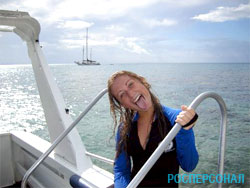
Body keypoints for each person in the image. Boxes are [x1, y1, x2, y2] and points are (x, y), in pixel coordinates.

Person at [107, 71, 199, 187]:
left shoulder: (176, 120)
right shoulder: (124, 129)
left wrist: (186, 131)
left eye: (130, 84)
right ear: (123, 105)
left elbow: (189, 165)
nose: (130, 94)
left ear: (143, 82)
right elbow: (121, 171)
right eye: (122, 94)